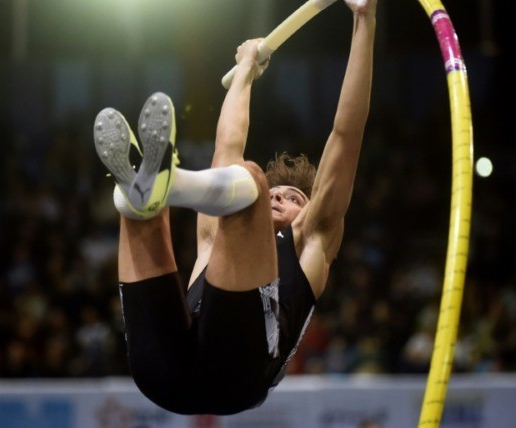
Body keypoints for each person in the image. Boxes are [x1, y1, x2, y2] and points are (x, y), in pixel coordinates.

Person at [92, 0, 377, 416]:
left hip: (238, 377)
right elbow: (226, 145)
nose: (280, 197)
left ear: (310, 212)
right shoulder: (215, 237)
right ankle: (141, 194)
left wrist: (364, 20)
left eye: (294, 198)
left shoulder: (312, 241)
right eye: (279, 193)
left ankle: (168, 183)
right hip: (163, 375)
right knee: (145, 214)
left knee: (247, 179)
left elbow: (346, 134)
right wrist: (245, 70)